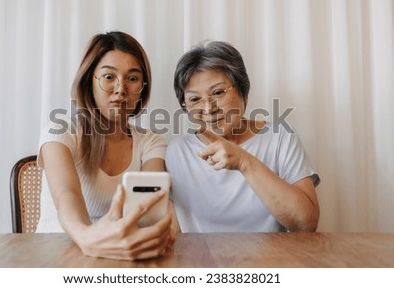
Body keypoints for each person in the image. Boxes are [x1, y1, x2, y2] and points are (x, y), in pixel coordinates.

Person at [36, 31, 176, 260]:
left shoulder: (151, 141)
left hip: (121, 254)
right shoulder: (60, 130)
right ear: (89, 80)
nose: (121, 89)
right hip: (56, 254)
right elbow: (66, 195)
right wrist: (87, 237)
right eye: (109, 77)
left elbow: (148, 205)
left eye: (132, 78)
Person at [166, 41, 320, 233]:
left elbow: (306, 223)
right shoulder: (176, 151)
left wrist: (244, 161)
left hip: (268, 260)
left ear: (242, 90)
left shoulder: (280, 137)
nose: (208, 108)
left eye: (218, 92)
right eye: (195, 99)